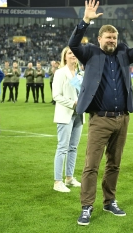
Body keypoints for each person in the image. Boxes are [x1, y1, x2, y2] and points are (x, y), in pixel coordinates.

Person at [68, 0, 133, 226]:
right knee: (91, 166)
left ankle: (109, 202)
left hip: (122, 119)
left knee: (114, 164)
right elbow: (73, 44)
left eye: (114, 38)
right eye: (108, 38)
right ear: (99, 39)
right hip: (100, 120)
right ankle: (87, 207)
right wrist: (85, 20)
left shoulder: (124, 54)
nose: (112, 41)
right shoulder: (89, 54)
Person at [52, 46, 85, 193]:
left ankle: (69, 177)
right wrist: (73, 104)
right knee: (62, 147)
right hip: (66, 113)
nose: (73, 55)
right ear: (65, 57)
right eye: (70, 53)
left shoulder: (79, 74)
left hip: (78, 115)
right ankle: (57, 181)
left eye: (74, 53)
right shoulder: (60, 73)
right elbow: (56, 95)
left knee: (73, 147)